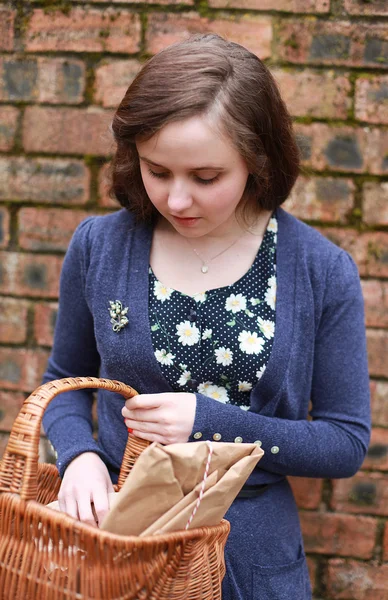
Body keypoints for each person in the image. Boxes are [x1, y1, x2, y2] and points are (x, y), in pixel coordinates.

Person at [42, 33, 371, 600]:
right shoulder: (100, 245)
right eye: (156, 170)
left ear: (257, 160)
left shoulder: (321, 270)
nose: (175, 200)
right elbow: (62, 381)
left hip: (253, 564)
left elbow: (344, 443)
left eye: (205, 177)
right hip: (118, 551)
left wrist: (209, 420)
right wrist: (80, 458)